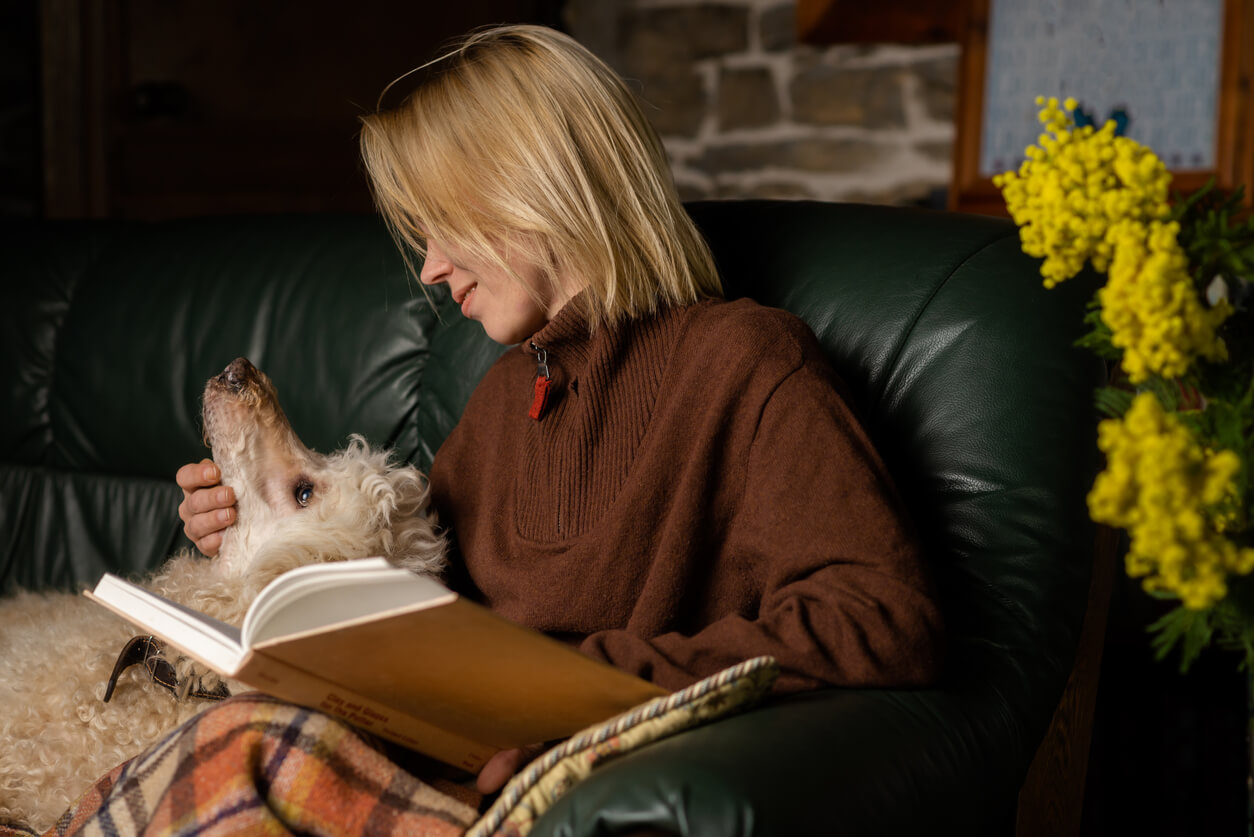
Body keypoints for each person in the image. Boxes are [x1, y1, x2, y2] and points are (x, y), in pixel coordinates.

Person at [171, 22, 943, 826]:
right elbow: (399, 596)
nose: (431, 267)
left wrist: (585, 683)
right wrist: (249, 528)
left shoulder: (745, 365)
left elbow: (883, 614)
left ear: (532, 182)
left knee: (229, 759)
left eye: (440, 222)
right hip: (425, 769)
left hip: (549, 793)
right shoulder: (505, 396)